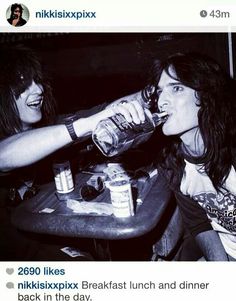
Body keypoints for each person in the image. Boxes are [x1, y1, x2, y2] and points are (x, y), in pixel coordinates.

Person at [0, 45, 145, 260]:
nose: (38, 90)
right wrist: (85, 125)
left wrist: (152, 94)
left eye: (37, 81)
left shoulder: (51, 129)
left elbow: (103, 110)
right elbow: (4, 156)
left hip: (60, 241)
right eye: (24, 83)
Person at [142, 52, 236, 261]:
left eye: (176, 89)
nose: (162, 102)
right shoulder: (172, 163)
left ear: (205, 95)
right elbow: (199, 223)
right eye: (159, 92)